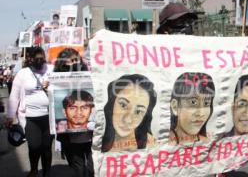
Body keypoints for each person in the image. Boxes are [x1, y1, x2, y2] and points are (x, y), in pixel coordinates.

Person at [6, 47, 53, 177]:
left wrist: (51, 86)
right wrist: (10, 116)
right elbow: (14, 96)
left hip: (49, 117)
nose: (40, 61)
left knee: (47, 147)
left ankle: (47, 171)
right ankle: (33, 169)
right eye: (36, 58)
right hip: (30, 117)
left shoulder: (50, 70)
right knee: (34, 146)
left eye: (42, 58)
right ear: (30, 59)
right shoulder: (23, 73)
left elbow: (62, 86)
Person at [53, 48, 93, 177]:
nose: (75, 64)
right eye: (71, 61)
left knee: (93, 167)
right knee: (77, 166)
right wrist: (48, 89)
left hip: (90, 134)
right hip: (70, 137)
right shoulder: (56, 78)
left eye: (77, 60)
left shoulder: (89, 75)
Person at [101, 74, 157, 152]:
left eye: (138, 111)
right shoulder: (97, 141)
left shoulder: (151, 144)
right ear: (112, 103)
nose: (128, 120)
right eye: (123, 105)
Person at [169, 72, 215, 144]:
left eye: (206, 103)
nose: (201, 114)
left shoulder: (207, 143)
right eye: (193, 102)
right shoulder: (163, 144)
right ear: (175, 107)